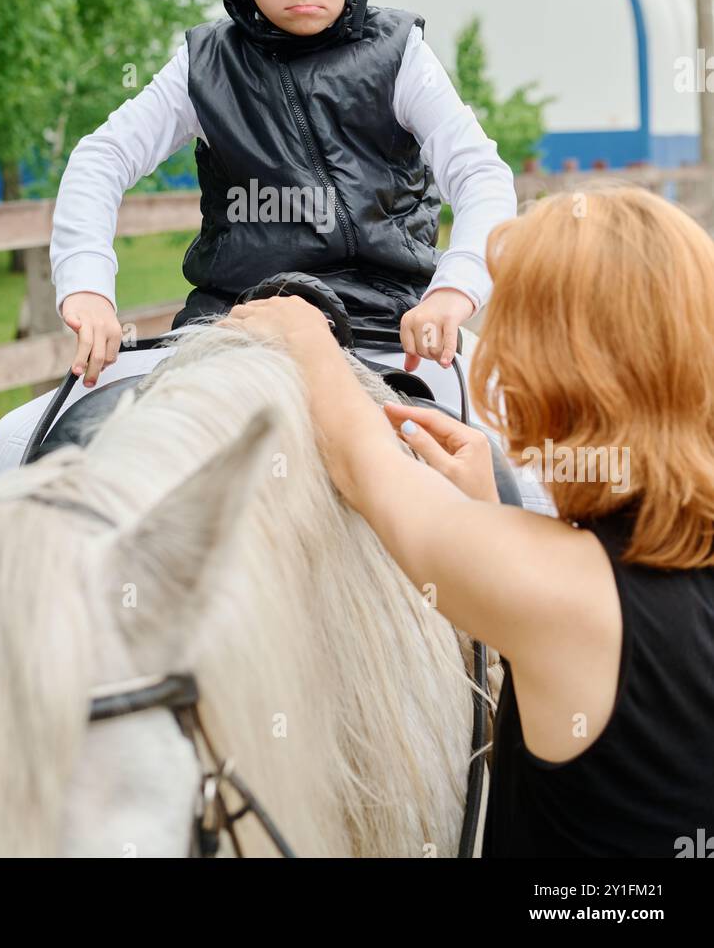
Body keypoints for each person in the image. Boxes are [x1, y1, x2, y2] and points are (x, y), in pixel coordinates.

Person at [223, 183, 714, 858]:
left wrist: (305, 335)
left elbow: (366, 467)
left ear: (558, 375)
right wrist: (489, 519)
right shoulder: (590, 587)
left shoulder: (563, 595)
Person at [49, 0, 517, 389]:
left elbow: (480, 174)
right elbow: (102, 157)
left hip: (386, 325)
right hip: (232, 324)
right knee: (21, 440)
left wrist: (454, 289)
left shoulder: (403, 58)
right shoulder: (202, 64)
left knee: (513, 458)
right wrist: (87, 283)